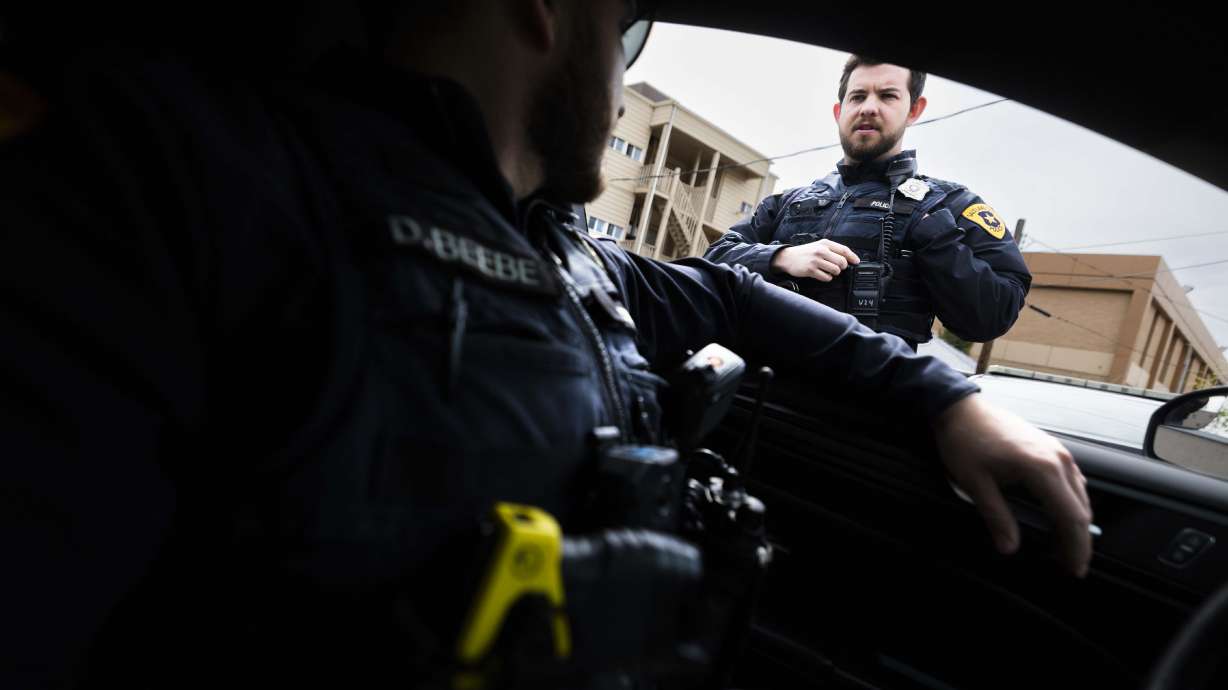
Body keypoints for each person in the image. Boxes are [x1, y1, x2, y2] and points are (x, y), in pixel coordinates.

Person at [0, 2, 1089, 686]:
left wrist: (947, 397)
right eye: (620, 30)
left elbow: (727, 297)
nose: (617, 83)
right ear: (543, 14)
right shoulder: (192, 182)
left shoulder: (562, 249)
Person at [705, 55, 1031, 348]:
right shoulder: (789, 201)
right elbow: (712, 260)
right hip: (761, 390)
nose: (869, 107)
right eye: (858, 96)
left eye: (887, 95)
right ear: (839, 111)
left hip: (865, 404)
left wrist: (938, 238)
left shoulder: (950, 205)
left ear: (914, 109)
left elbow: (996, 312)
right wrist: (780, 257)